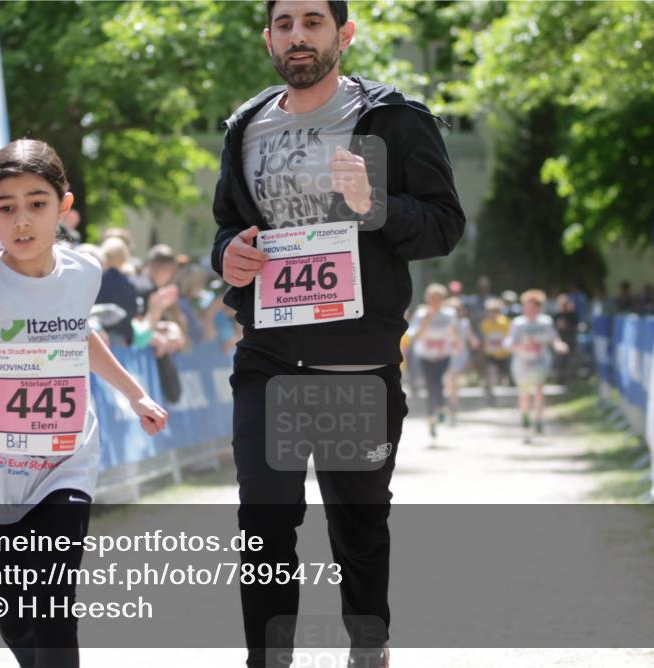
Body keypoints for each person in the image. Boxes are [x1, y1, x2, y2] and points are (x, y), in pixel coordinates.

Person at [211, 2, 464, 665]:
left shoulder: (391, 120)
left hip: (356, 363)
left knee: (358, 525)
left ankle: (367, 646)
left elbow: (444, 224)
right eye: (286, 23)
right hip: (268, 355)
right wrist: (226, 255)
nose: (299, 36)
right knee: (264, 519)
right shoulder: (246, 126)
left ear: (343, 34)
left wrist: (373, 204)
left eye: (313, 22)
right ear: (269, 38)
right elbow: (227, 226)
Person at [0, 139, 168, 668]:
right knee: (18, 621)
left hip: (66, 462)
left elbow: (78, 334)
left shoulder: (84, 271)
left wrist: (135, 394)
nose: (23, 220)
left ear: (64, 206)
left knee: (54, 604)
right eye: (7, 207)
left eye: (38, 203)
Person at [504, 289, 568, 435]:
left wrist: (560, 345)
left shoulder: (545, 322)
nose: (529, 310)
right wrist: (517, 346)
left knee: (539, 388)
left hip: (540, 360)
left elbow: (554, 338)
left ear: (539, 308)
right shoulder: (518, 323)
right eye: (527, 306)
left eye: (533, 307)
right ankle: (525, 416)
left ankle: (539, 419)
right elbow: (509, 342)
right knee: (525, 392)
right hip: (522, 361)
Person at [407, 284, 461, 437]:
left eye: (438, 298)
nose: (435, 302)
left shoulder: (449, 314)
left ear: (443, 300)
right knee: (430, 385)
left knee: (436, 382)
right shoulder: (421, 314)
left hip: (444, 355)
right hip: (425, 356)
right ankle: (432, 417)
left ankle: (441, 407)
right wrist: (425, 323)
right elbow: (414, 336)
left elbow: (455, 332)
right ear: (427, 299)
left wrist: (457, 343)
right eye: (432, 298)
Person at [444, 299, 480, 424]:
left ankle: (452, 407)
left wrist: (474, 343)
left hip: (459, 355)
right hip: (445, 354)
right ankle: (451, 405)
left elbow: (472, 339)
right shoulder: (444, 321)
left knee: (452, 380)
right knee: (449, 382)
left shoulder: (465, 323)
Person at [479, 297, 511, 406]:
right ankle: (491, 393)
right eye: (489, 312)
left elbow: (510, 337)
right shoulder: (485, 324)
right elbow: (484, 339)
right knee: (491, 372)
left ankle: (491, 387)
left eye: (494, 312)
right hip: (491, 354)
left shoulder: (505, 322)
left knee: (504, 377)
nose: (491, 314)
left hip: (504, 354)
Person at [552, 293, 579, 384]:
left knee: (569, 361)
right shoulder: (557, 314)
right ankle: (559, 379)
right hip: (560, 340)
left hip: (570, 339)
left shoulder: (572, 314)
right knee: (560, 361)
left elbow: (575, 326)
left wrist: (567, 326)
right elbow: (553, 328)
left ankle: (569, 379)